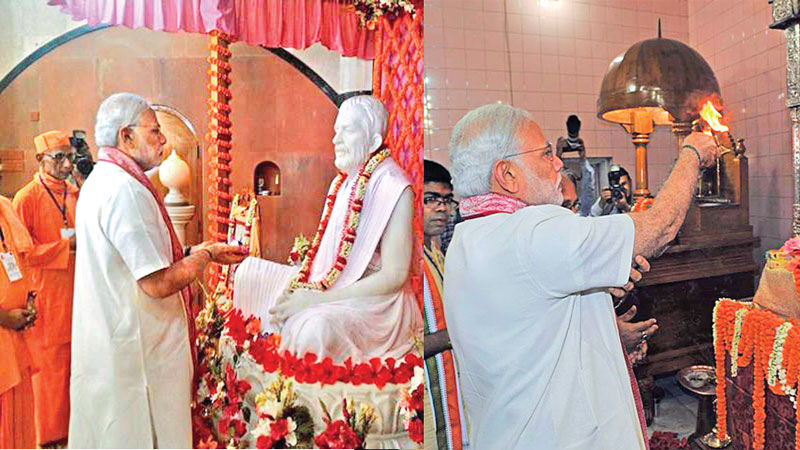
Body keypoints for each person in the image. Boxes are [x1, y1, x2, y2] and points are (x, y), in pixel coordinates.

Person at [443, 103, 719, 450]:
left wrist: (606, 330)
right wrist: (691, 153)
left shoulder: (468, 238)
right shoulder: (530, 230)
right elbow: (660, 227)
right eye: (546, 154)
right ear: (507, 175)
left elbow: (526, 328)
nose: (558, 163)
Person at [69, 93, 248, 448]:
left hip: (112, 345)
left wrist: (199, 251)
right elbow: (156, 282)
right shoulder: (123, 189)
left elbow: (143, 257)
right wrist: (202, 259)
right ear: (126, 136)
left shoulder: (103, 180)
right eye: (155, 131)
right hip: (137, 357)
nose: (164, 140)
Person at [233, 95, 422, 364]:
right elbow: (327, 265)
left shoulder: (393, 186)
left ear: (374, 141)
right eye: (336, 132)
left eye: (347, 130)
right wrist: (305, 288)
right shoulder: (343, 184)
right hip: (332, 285)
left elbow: (394, 276)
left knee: (313, 331)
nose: (335, 140)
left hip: (376, 303)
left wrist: (316, 300)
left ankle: (296, 395)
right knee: (249, 272)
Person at [13, 130, 79, 447]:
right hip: (47, 293)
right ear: (41, 160)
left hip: (79, 288)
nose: (67, 165)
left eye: (70, 157)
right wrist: (65, 246)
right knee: (50, 368)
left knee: (74, 364)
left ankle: (74, 431)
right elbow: (23, 253)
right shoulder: (26, 198)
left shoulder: (74, 191)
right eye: (59, 158)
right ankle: (49, 437)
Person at [560, 171, 657, 364]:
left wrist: (619, 331)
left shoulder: (641, 204)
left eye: (574, 206)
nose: (572, 215)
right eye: (564, 207)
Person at [422, 160, 467, 450]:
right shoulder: (400, 261)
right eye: (430, 199)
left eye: (446, 200)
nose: (442, 208)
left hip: (452, 395)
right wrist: (452, 337)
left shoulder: (436, 255)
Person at [0, 195, 37, 449]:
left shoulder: (5, 206)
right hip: (4, 328)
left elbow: (22, 260)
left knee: (19, 417)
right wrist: (4, 318)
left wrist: (30, 298)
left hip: (14, 337)